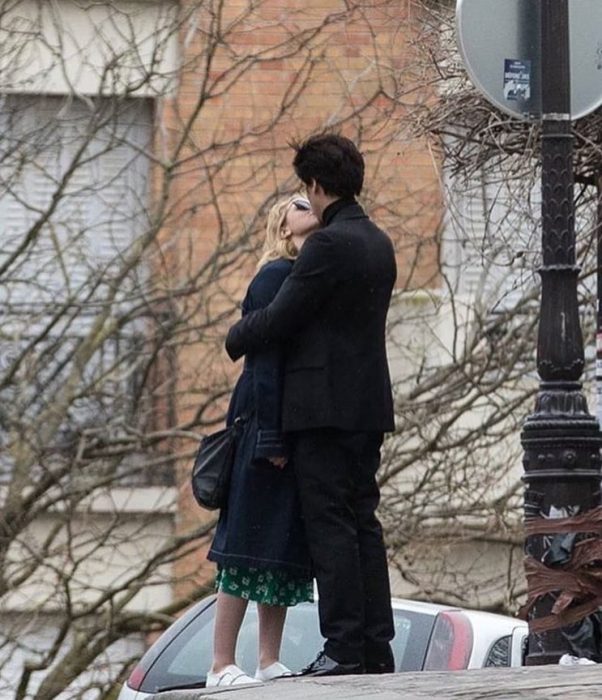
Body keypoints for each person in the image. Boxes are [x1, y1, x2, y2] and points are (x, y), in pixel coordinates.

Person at [226, 133, 397, 677]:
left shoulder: (327, 246)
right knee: (362, 522)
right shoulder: (378, 242)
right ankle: (374, 644)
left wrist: (236, 335)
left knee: (331, 527)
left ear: (317, 186)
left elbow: (281, 317)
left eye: (307, 188)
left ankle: (343, 647)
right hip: (368, 406)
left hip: (322, 410)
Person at [206, 195, 320, 687]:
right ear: (282, 224)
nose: (310, 202)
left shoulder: (303, 277)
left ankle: (267, 659)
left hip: (283, 428)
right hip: (261, 425)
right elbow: (266, 362)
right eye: (299, 202)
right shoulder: (275, 276)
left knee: (278, 545)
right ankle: (219, 664)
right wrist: (271, 437)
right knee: (244, 545)